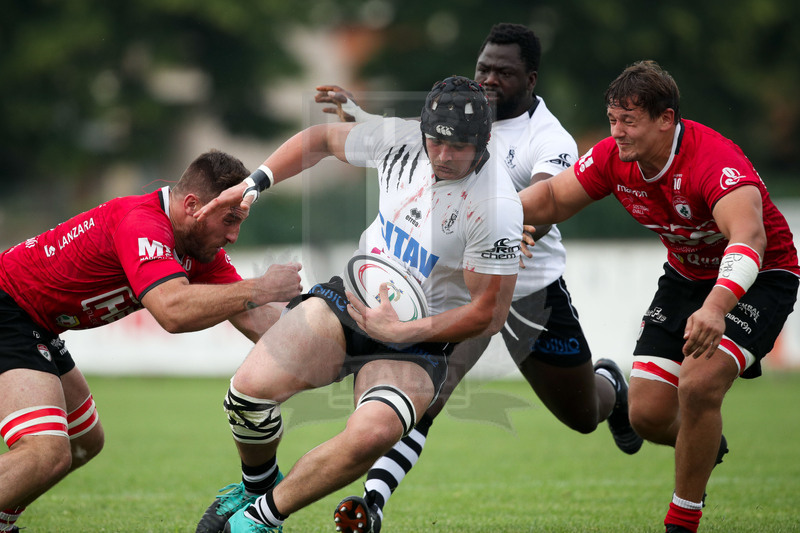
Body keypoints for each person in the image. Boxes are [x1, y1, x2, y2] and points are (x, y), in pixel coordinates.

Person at [315, 23, 641, 531]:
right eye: (483, 68)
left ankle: (611, 387)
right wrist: (361, 117)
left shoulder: (547, 137)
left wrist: (522, 224)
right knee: (429, 392)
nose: (488, 79)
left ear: (530, 78)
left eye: (503, 72)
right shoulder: (462, 115)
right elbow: (409, 136)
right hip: (458, 287)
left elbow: (549, 194)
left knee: (581, 416)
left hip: (531, 295)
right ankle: (372, 501)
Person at [193, 76, 523, 533]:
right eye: (436, 141)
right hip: (348, 300)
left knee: (372, 435)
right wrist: (255, 183)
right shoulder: (403, 142)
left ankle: (258, 520)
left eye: (460, 146)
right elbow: (323, 139)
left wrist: (403, 332)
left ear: (484, 140)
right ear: (422, 129)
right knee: (247, 394)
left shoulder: (496, 206)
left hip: (418, 341)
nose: (444, 155)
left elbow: (490, 312)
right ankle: (255, 486)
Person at [518, 60, 799, 533]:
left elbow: (749, 239)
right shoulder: (613, 157)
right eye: (612, 120)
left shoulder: (714, 161)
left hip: (761, 275)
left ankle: (681, 521)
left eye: (629, 121)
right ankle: (706, 442)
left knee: (698, 384)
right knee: (646, 416)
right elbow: (550, 200)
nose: (617, 132)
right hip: (686, 276)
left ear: (665, 119)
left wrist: (715, 307)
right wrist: (485, 217)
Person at [0, 149, 303, 533]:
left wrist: (340, 341)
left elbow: (259, 320)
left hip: (35, 322)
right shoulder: (142, 223)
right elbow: (172, 311)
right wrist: (260, 287)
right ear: (193, 205)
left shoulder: (199, 250)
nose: (233, 235)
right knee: (45, 453)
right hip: (8, 307)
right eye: (229, 220)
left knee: (84, 441)